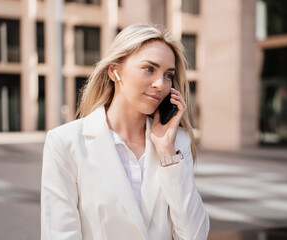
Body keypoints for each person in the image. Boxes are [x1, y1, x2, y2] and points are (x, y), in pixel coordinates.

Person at [41, 23, 210, 240]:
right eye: (149, 69)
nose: (161, 84)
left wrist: (168, 154)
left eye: (168, 75)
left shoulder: (177, 144)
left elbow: (195, 235)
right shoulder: (65, 142)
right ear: (114, 71)